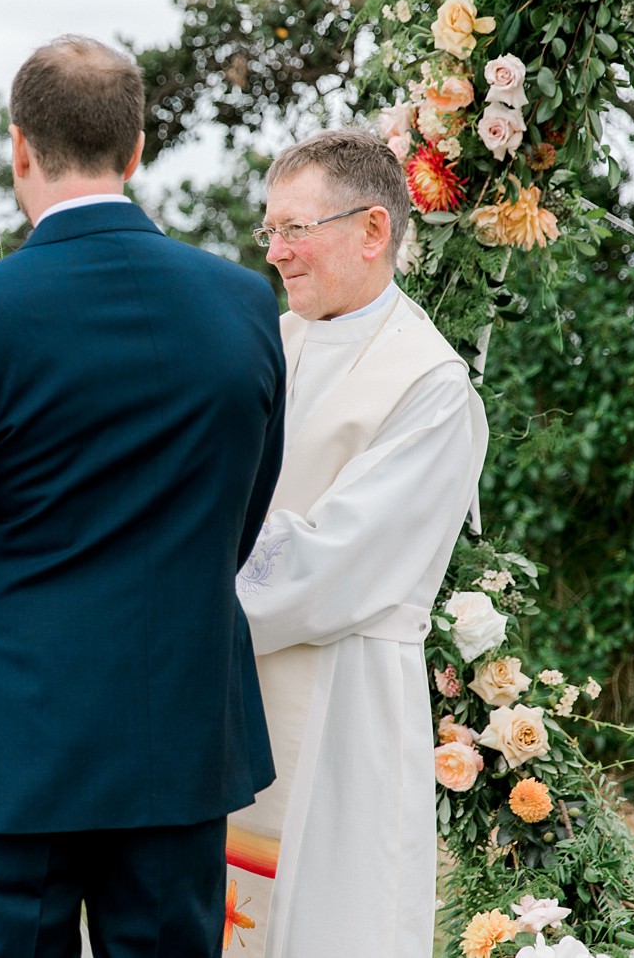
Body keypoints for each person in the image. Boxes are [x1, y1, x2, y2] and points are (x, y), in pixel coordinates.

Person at [0, 36, 286, 958]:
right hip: (179, 725)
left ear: (19, 149)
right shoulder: (245, 303)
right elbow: (242, 513)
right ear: (136, 151)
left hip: (14, 738)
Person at [226, 129, 489, 958]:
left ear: (373, 230)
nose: (276, 253)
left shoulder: (432, 386)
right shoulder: (270, 341)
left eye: (293, 230)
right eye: (270, 230)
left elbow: (336, 559)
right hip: (237, 690)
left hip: (344, 699)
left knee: (328, 921)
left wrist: (176, 587)